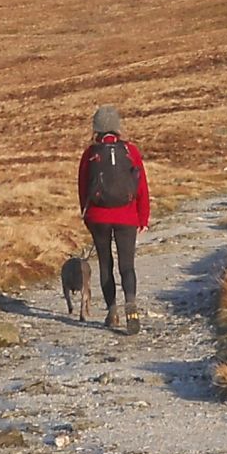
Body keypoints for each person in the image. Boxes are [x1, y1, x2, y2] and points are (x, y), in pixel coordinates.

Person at [76, 105, 150, 333]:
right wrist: (143, 217)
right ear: (118, 128)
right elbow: (141, 186)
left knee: (105, 264)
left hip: (98, 217)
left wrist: (87, 216)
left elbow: (82, 187)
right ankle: (131, 305)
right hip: (127, 216)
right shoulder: (130, 151)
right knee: (127, 266)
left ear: (95, 128)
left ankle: (111, 310)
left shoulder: (90, 154)